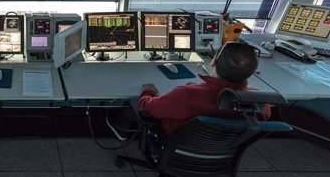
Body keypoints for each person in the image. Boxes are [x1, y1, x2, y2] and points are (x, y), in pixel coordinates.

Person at [107, 41, 269, 139]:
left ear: (213, 62)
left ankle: (121, 128)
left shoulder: (186, 95)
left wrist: (147, 92)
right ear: (254, 71)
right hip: (222, 149)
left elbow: (148, 107)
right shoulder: (260, 101)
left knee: (135, 101)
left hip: (176, 143)